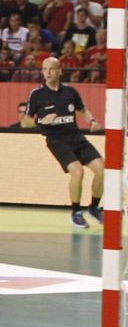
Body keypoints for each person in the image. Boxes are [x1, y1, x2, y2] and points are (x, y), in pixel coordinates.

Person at [24, 55, 104, 228]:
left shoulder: (70, 92)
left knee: (101, 168)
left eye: (51, 69)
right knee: (77, 171)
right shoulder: (37, 94)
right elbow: (25, 121)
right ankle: (76, 212)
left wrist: (92, 121)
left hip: (76, 137)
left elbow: (83, 110)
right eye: (44, 69)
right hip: (56, 140)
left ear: (60, 71)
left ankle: (94, 208)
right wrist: (42, 121)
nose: (47, 73)